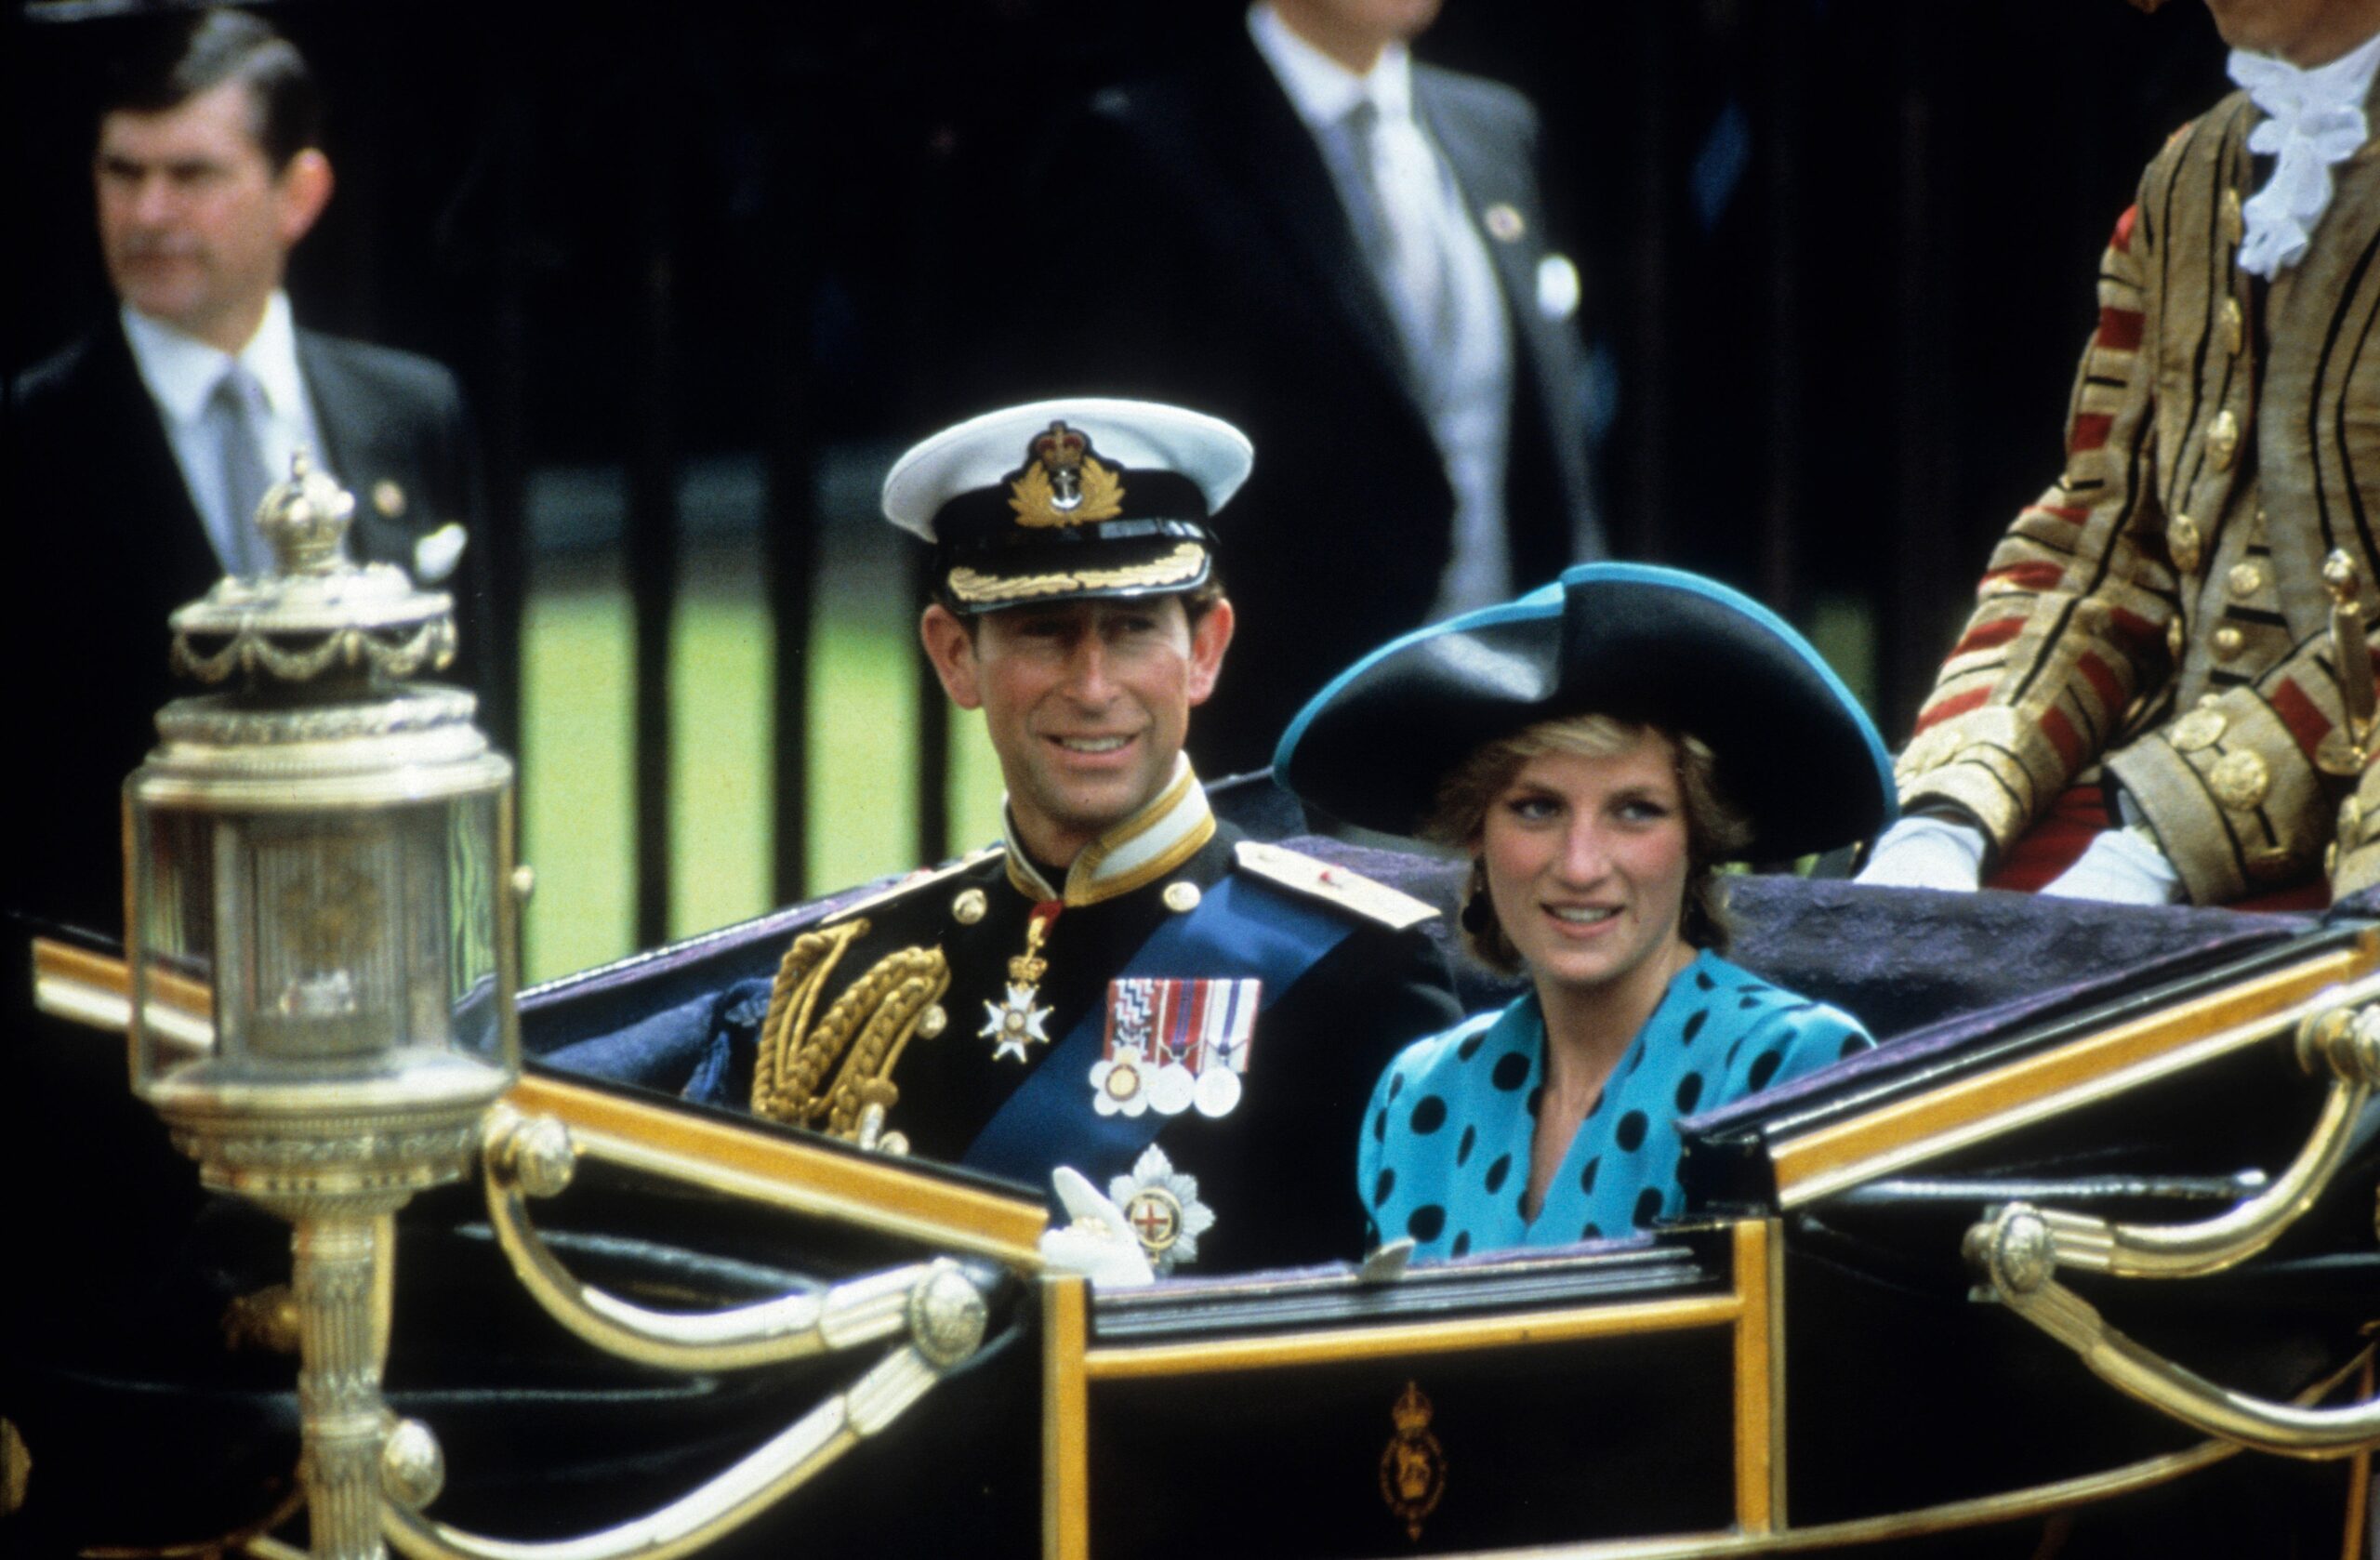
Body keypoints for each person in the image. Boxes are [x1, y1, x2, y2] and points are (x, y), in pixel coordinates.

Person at [552, 398, 1462, 1276]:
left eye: (1133, 628)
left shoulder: (1348, 972)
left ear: (1205, 650)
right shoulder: (863, 981)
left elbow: (1399, 1360)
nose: (1093, 684)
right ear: (955, 656)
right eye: (1044, 633)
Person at [978, 0, 1603, 775]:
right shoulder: (1143, 147)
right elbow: (1116, 490)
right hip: (1285, 747)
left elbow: (1542, 460)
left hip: (1508, 730)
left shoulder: (1496, 130)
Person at [1858, 0, 2380, 909]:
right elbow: (2100, 546)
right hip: (2169, 787)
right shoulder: (2185, 183)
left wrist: (2171, 833)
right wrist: (1948, 808)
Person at [7, 7, 484, 935]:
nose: (148, 213)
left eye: (192, 175)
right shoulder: (28, 441)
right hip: (126, 1019)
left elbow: (472, 729)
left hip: (385, 989)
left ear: (298, 195)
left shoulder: (414, 414)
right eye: (123, 173)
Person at [1274, 563, 1895, 1260]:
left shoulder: (1792, 1065)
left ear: (1699, 836)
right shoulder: (1418, 1097)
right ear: (1476, 830)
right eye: (1537, 808)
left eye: (1636, 811)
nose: (1579, 865)